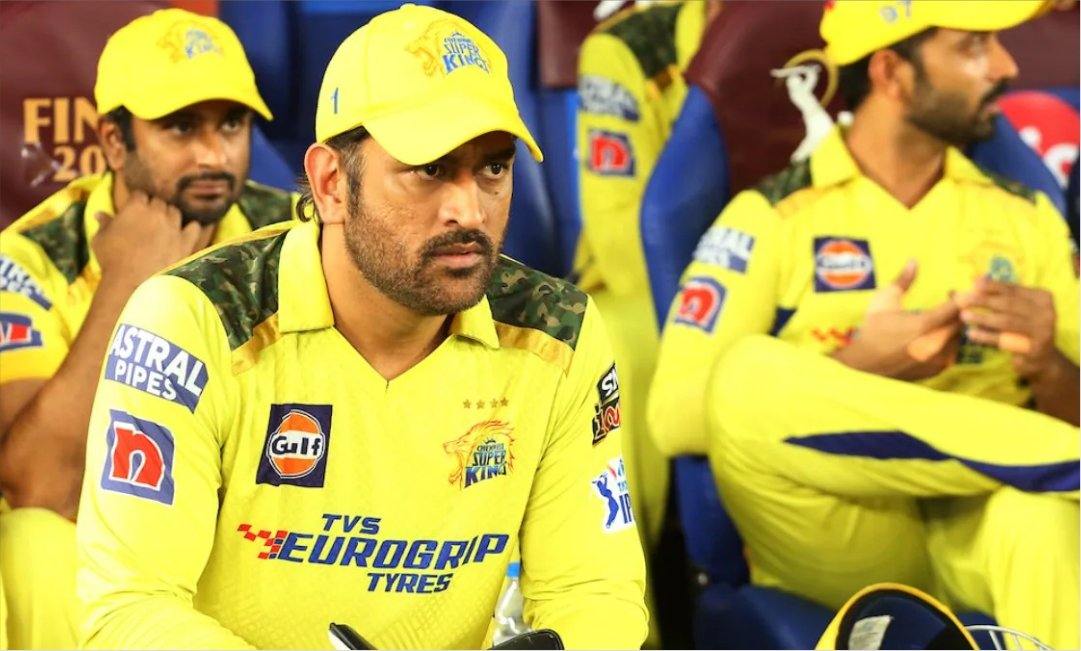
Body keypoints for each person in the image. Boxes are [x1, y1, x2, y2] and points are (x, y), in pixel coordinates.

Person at [76, 5, 649, 649]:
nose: (469, 210)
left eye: (493, 168)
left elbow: (594, 594)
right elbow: (129, 608)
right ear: (330, 184)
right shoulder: (194, 318)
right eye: (430, 169)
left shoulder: (558, 332)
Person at [648, 1, 1078, 648]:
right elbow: (673, 416)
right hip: (843, 532)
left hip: (985, 521)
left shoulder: (1026, 216)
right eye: (972, 45)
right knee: (743, 378)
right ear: (890, 73)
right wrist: (857, 368)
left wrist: (1047, 364)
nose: (1005, 65)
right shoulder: (770, 216)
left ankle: (1056, 466)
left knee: (1040, 518)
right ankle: (1060, 461)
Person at [0, 8, 293, 648]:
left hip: (261, 535)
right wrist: (127, 286)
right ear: (113, 140)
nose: (214, 154)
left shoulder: (298, 237)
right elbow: (40, 487)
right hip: (106, 554)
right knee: (30, 542)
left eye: (232, 124)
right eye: (181, 127)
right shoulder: (33, 258)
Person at [572, 3, 722, 636]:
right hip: (645, 287)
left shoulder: (827, 31)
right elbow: (618, 230)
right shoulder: (629, 49)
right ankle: (621, 627)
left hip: (795, 270)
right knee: (615, 353)